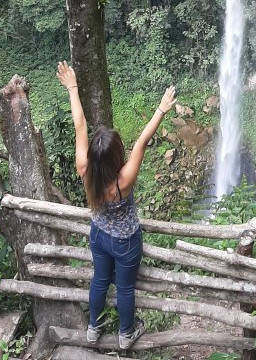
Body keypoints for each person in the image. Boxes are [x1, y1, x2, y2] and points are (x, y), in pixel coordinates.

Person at [57, 60, 177, 348]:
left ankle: (93, 328)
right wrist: (161, 109)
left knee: (99, 281)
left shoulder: (85, 169)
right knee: (124, 288)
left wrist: (72, 87)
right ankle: (125, 335)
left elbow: (80, 125)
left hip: (98, 235)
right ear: (115, 157)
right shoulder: (124, 180)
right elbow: (142, 141)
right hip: (125, 240)